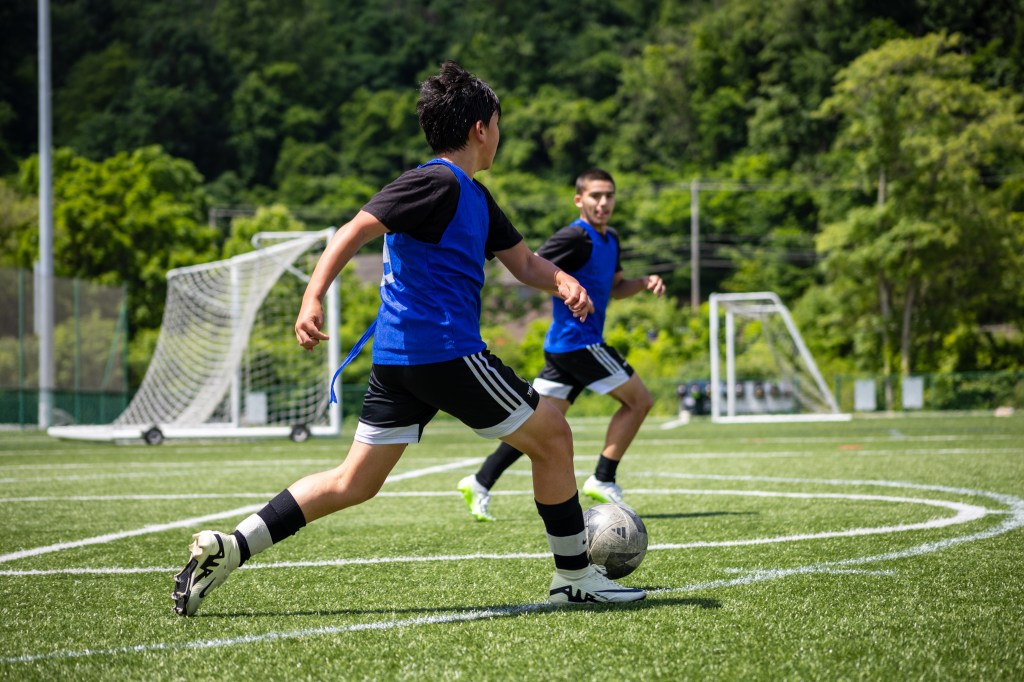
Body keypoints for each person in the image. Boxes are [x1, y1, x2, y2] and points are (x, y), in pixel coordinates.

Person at [170, 62, 644, 617]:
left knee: (354, 481)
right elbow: (357, 227)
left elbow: (524, 263)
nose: (500, 133)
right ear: (480, 129)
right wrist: (311, 295)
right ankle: (575, 576)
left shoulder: (476, 197)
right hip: (444, 351)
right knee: (554, 436)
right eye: (498, 122)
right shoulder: (436, 181)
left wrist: (561, 279)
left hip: (401, 361)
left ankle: (232, 547)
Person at [457, 168, 665, 522]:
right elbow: (531, 264)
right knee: (640, 401)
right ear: (579, 199)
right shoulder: (574, 236)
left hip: (565, 349)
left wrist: (643, 282)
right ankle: (604, 477)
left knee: (536, 425)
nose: (603, 202)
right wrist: (564, 289)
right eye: (595, 196)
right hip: (578, 343)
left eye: (609, 196)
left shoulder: (611, 239)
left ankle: (479, 482)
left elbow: (616, 287)